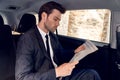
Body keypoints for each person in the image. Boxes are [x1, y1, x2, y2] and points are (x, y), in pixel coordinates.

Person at [15, 1, 101, 80]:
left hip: (60, 75)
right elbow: (22, 77)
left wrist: (74, 51)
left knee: (91, 74)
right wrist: (56, 72)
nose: (58, 24)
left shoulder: (52, 36)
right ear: (44, 16)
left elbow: (60, 53)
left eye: (59, 20)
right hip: (45, 77)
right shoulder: (27, 40)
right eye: (55, 19)